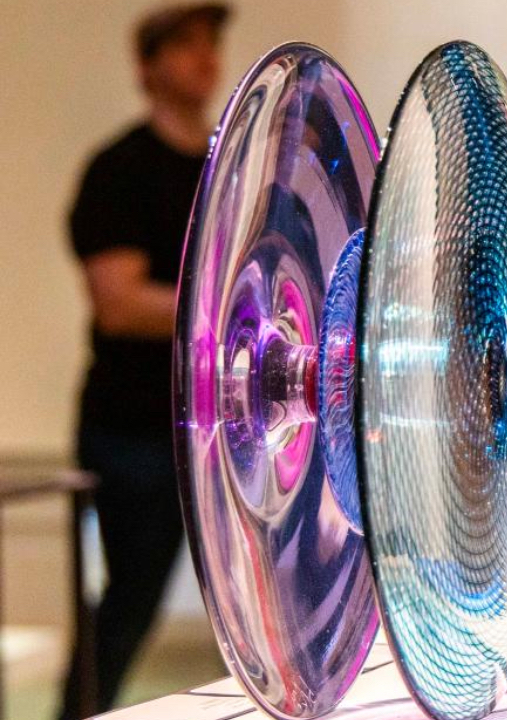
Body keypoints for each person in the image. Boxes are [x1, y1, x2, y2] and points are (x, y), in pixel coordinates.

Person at [57, 5, 229, 718]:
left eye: (210, 43)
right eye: (184, 45)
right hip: (136, 431)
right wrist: (229, 312)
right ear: (147, 66)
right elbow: (119, 304)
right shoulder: (120, 170)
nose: (205, 57)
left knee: (252, 599)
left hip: (226, 426)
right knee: (129, 604)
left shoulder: (229, 168)